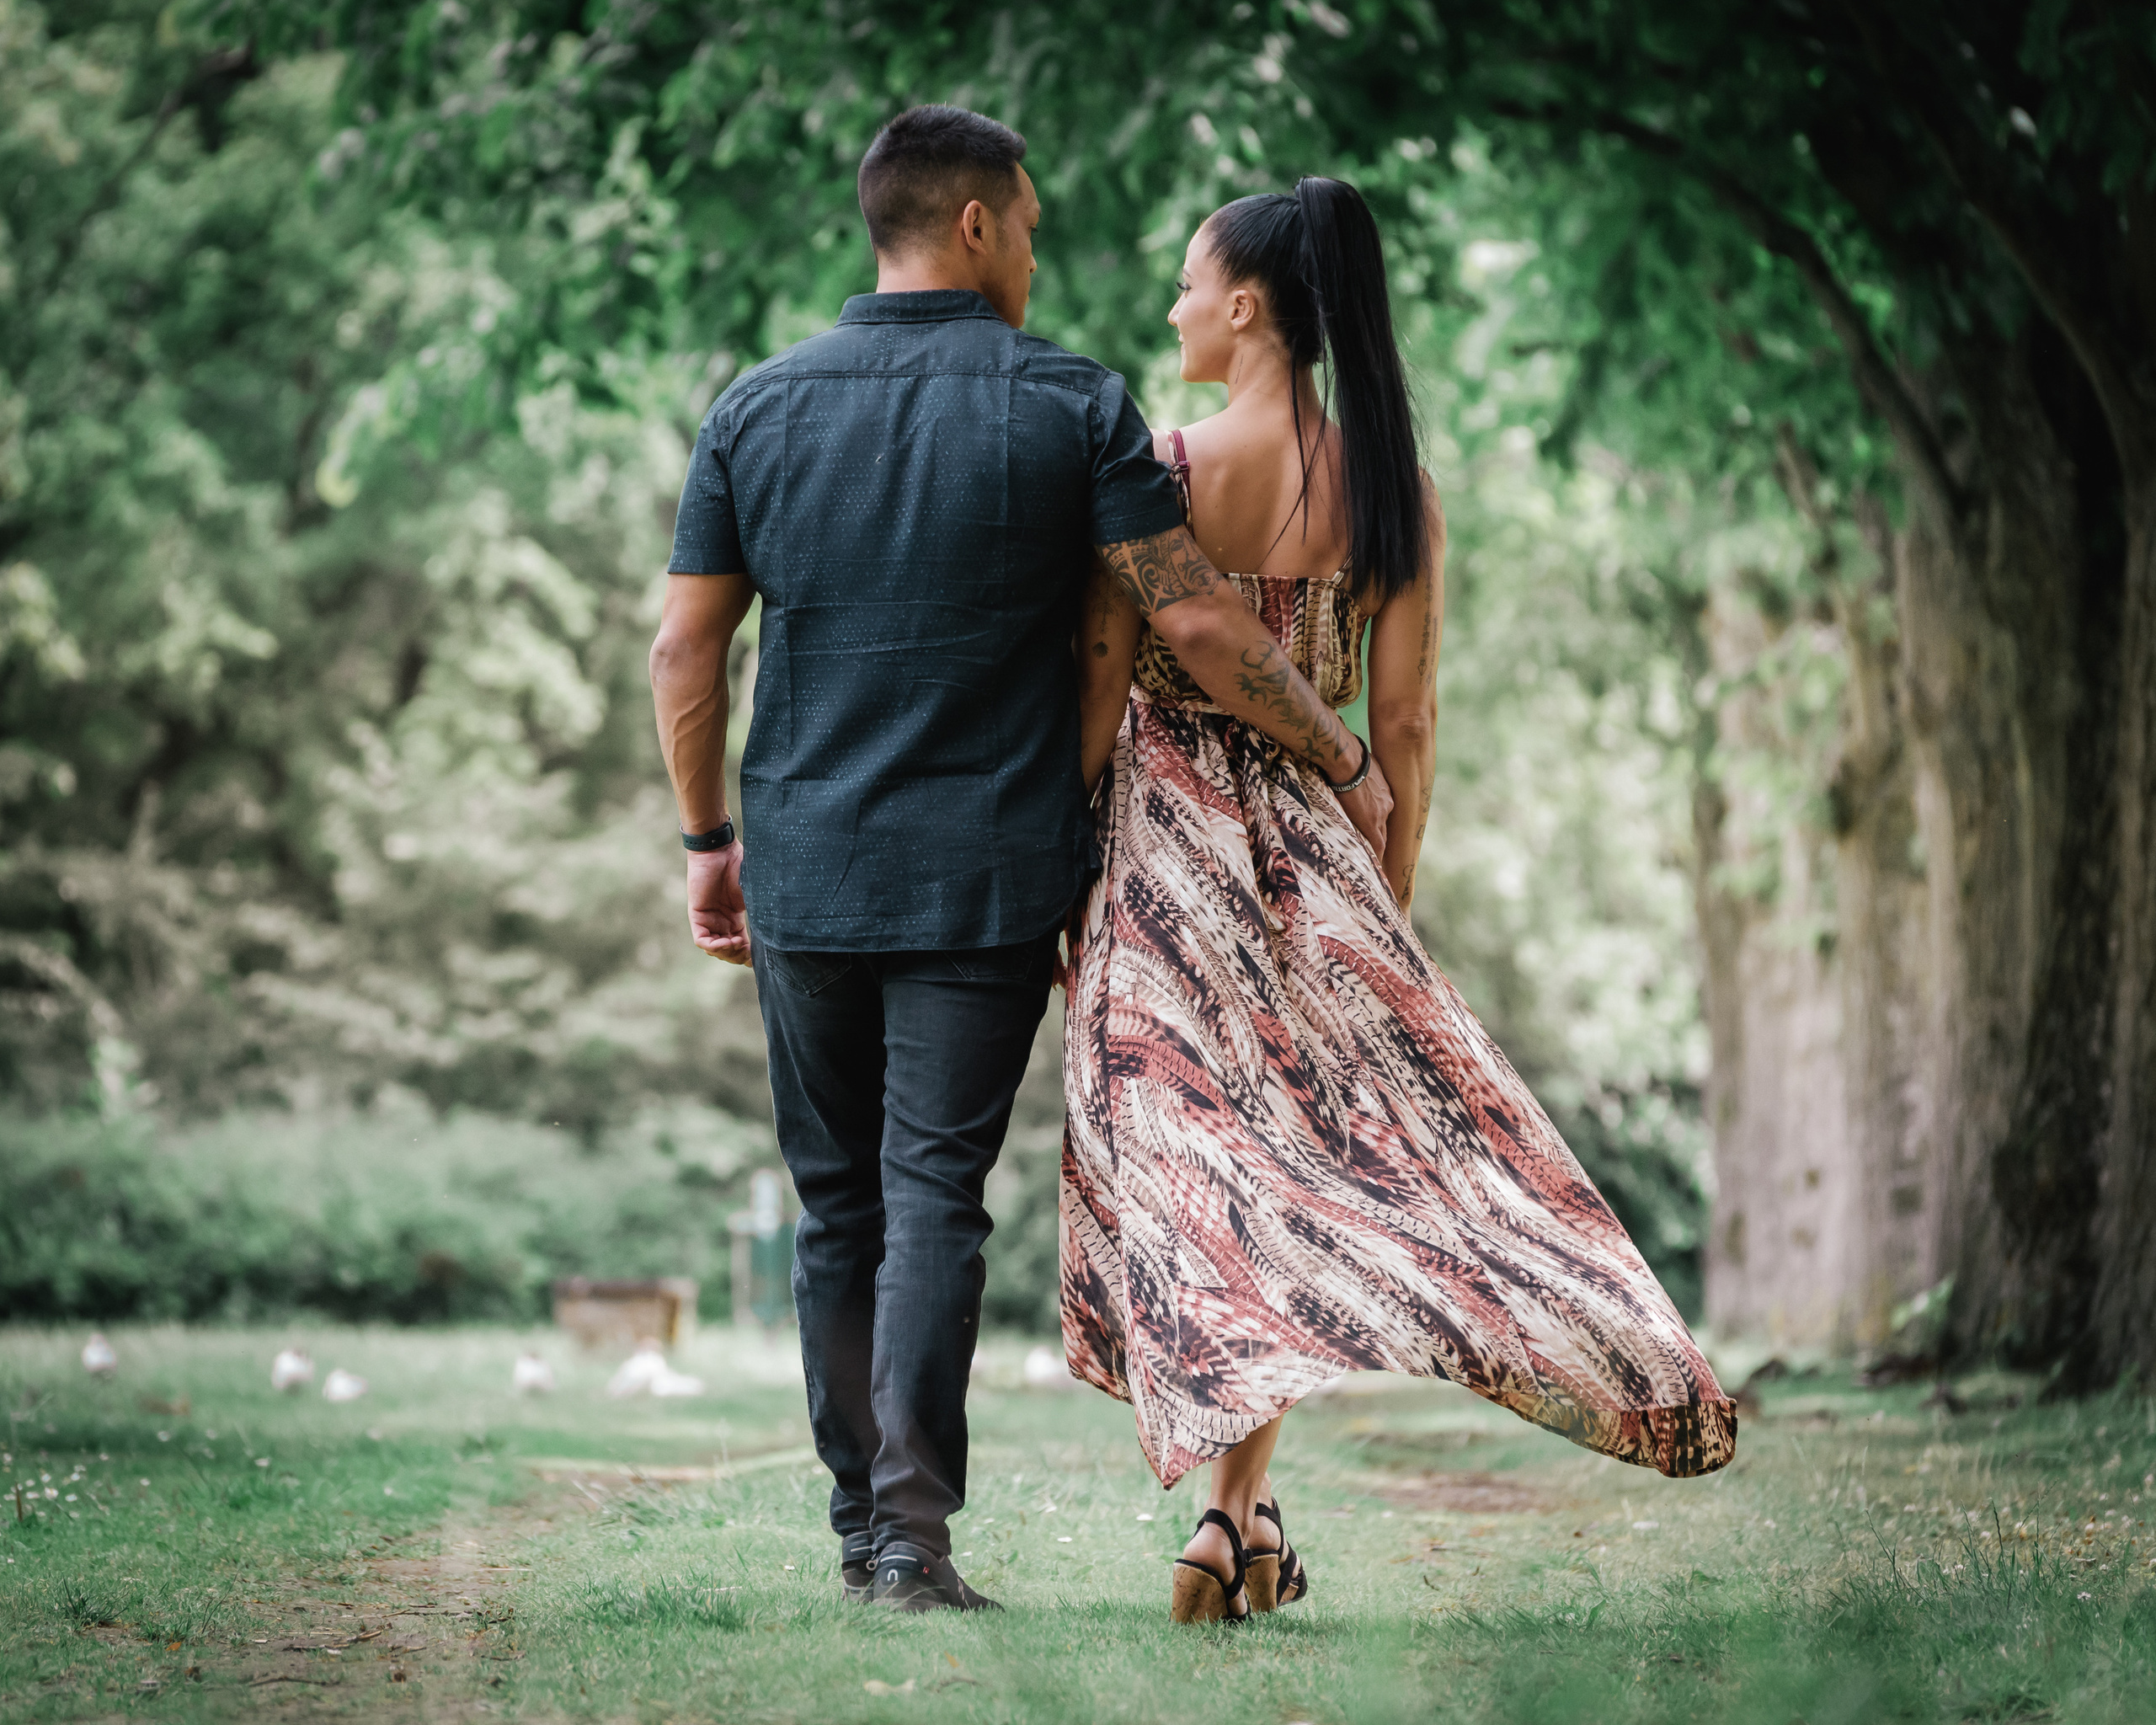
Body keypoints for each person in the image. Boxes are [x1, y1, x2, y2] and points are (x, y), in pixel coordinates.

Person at [648, 109, 1391, 1614]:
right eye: (1034, 226)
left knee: (834, 1203)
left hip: (805, 860)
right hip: (985, 872)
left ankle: (863, 1531)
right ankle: (911, 1545)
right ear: (976, 225)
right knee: (930, 1195)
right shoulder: (1071, 406)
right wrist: (1343, 751)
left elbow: (686, 647)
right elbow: (1191, 619)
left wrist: (708, 842)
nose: (1041, 254)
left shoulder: (758, 408)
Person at [1060, 179, 1737, 1625]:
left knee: (1208, 1185)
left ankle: (1226, 1519)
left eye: (1190, 283)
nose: (1174, 306)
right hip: (1317, 859)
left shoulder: (1160, 467)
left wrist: (1069, 869)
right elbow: (1409, 724)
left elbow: (1104, 684)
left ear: (1246, 307)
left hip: (1167, 849)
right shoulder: (1393, 487)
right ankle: (1235, 1520)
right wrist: (1387, 896)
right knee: (1299, 1184)